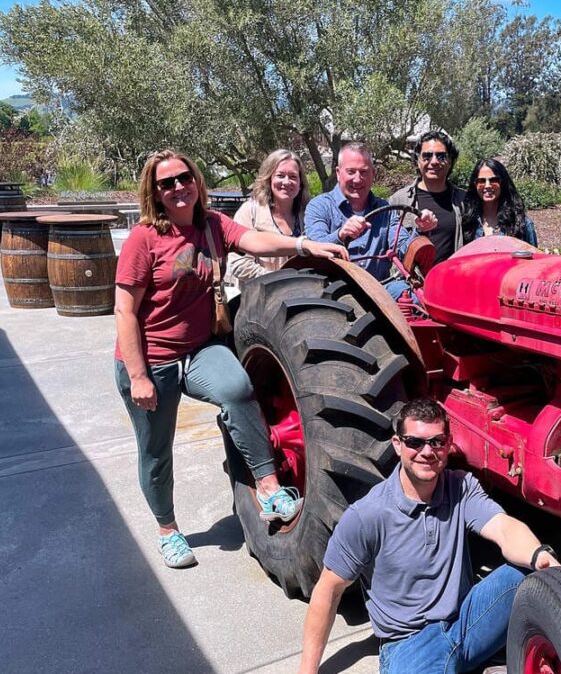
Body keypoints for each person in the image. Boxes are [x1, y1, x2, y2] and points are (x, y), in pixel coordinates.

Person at [114, 149, 348, 569]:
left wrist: (304, 245)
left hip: (200, 350)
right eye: (166, 183)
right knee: (155, 450)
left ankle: (268, 486)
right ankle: (168, 531)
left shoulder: (212, 225)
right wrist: (138, 376)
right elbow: (124, 311)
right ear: (155, 191)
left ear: (196, 180)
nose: (177, 188)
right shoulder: (143, 239)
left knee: (239, 389)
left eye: (183, 178)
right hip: (151, 359)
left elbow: (254, 241)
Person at [298, 399, 560, 674]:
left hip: (466, 622)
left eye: (436, 442)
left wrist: (539, 556)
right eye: (415, 442)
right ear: (397, 445)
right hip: (411, 644)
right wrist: (307, 670)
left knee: (528, 573)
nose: (427, 452)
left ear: (448, 445)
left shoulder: (460, 487)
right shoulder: (367, 516)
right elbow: (329, 589)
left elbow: (504, 528)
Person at [304, 142, 438, 301]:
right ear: (339, 173)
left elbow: (402, 248)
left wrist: (421, 229)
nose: (357, 179)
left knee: (416, 299)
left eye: (364, 172)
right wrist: (340, 235)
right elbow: (314, 248)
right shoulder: (319, 206)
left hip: (381, 288)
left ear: (373, 174)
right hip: (336, 290)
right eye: (351, 172)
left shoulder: (385, 209)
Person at [227, 149, 310, 283]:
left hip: (301, 295)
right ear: (269, 178)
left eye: (293, 176)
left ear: (301, 183)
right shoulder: (250, 212)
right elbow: (238, 263)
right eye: (280, 175)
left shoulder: (308, 214)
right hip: (259, 297)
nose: (287, 182)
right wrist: (278, 281)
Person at [389, 130, 466, 264]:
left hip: (451, 278)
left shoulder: (464, 200)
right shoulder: (398, 201)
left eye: (441, 156)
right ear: (418, 161)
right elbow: (393, 248)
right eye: (427, 156)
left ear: (450, 161)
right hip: (411, 282)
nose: (434, 161)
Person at [460, 158, 538, 247]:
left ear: (503, 183)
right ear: (475, 185)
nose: (487, 185)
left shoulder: (521, 223)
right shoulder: (467, 221)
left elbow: (534, 257)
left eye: (493, 180)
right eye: (481, 181)